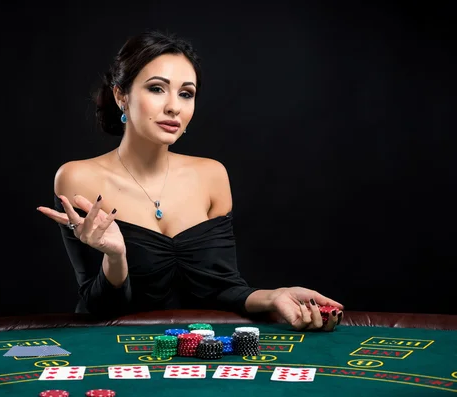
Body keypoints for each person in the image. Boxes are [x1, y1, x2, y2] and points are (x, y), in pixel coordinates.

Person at [37, 30, 343, 331]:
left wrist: (274, 296)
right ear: (121, 95)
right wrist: (115, 258)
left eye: (186, 93)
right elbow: (97, 311)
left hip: (197, 355)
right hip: (112, 353)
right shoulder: (78, 177)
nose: (174, 106)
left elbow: (222, 289)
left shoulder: (212, 175)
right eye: (157, 89)